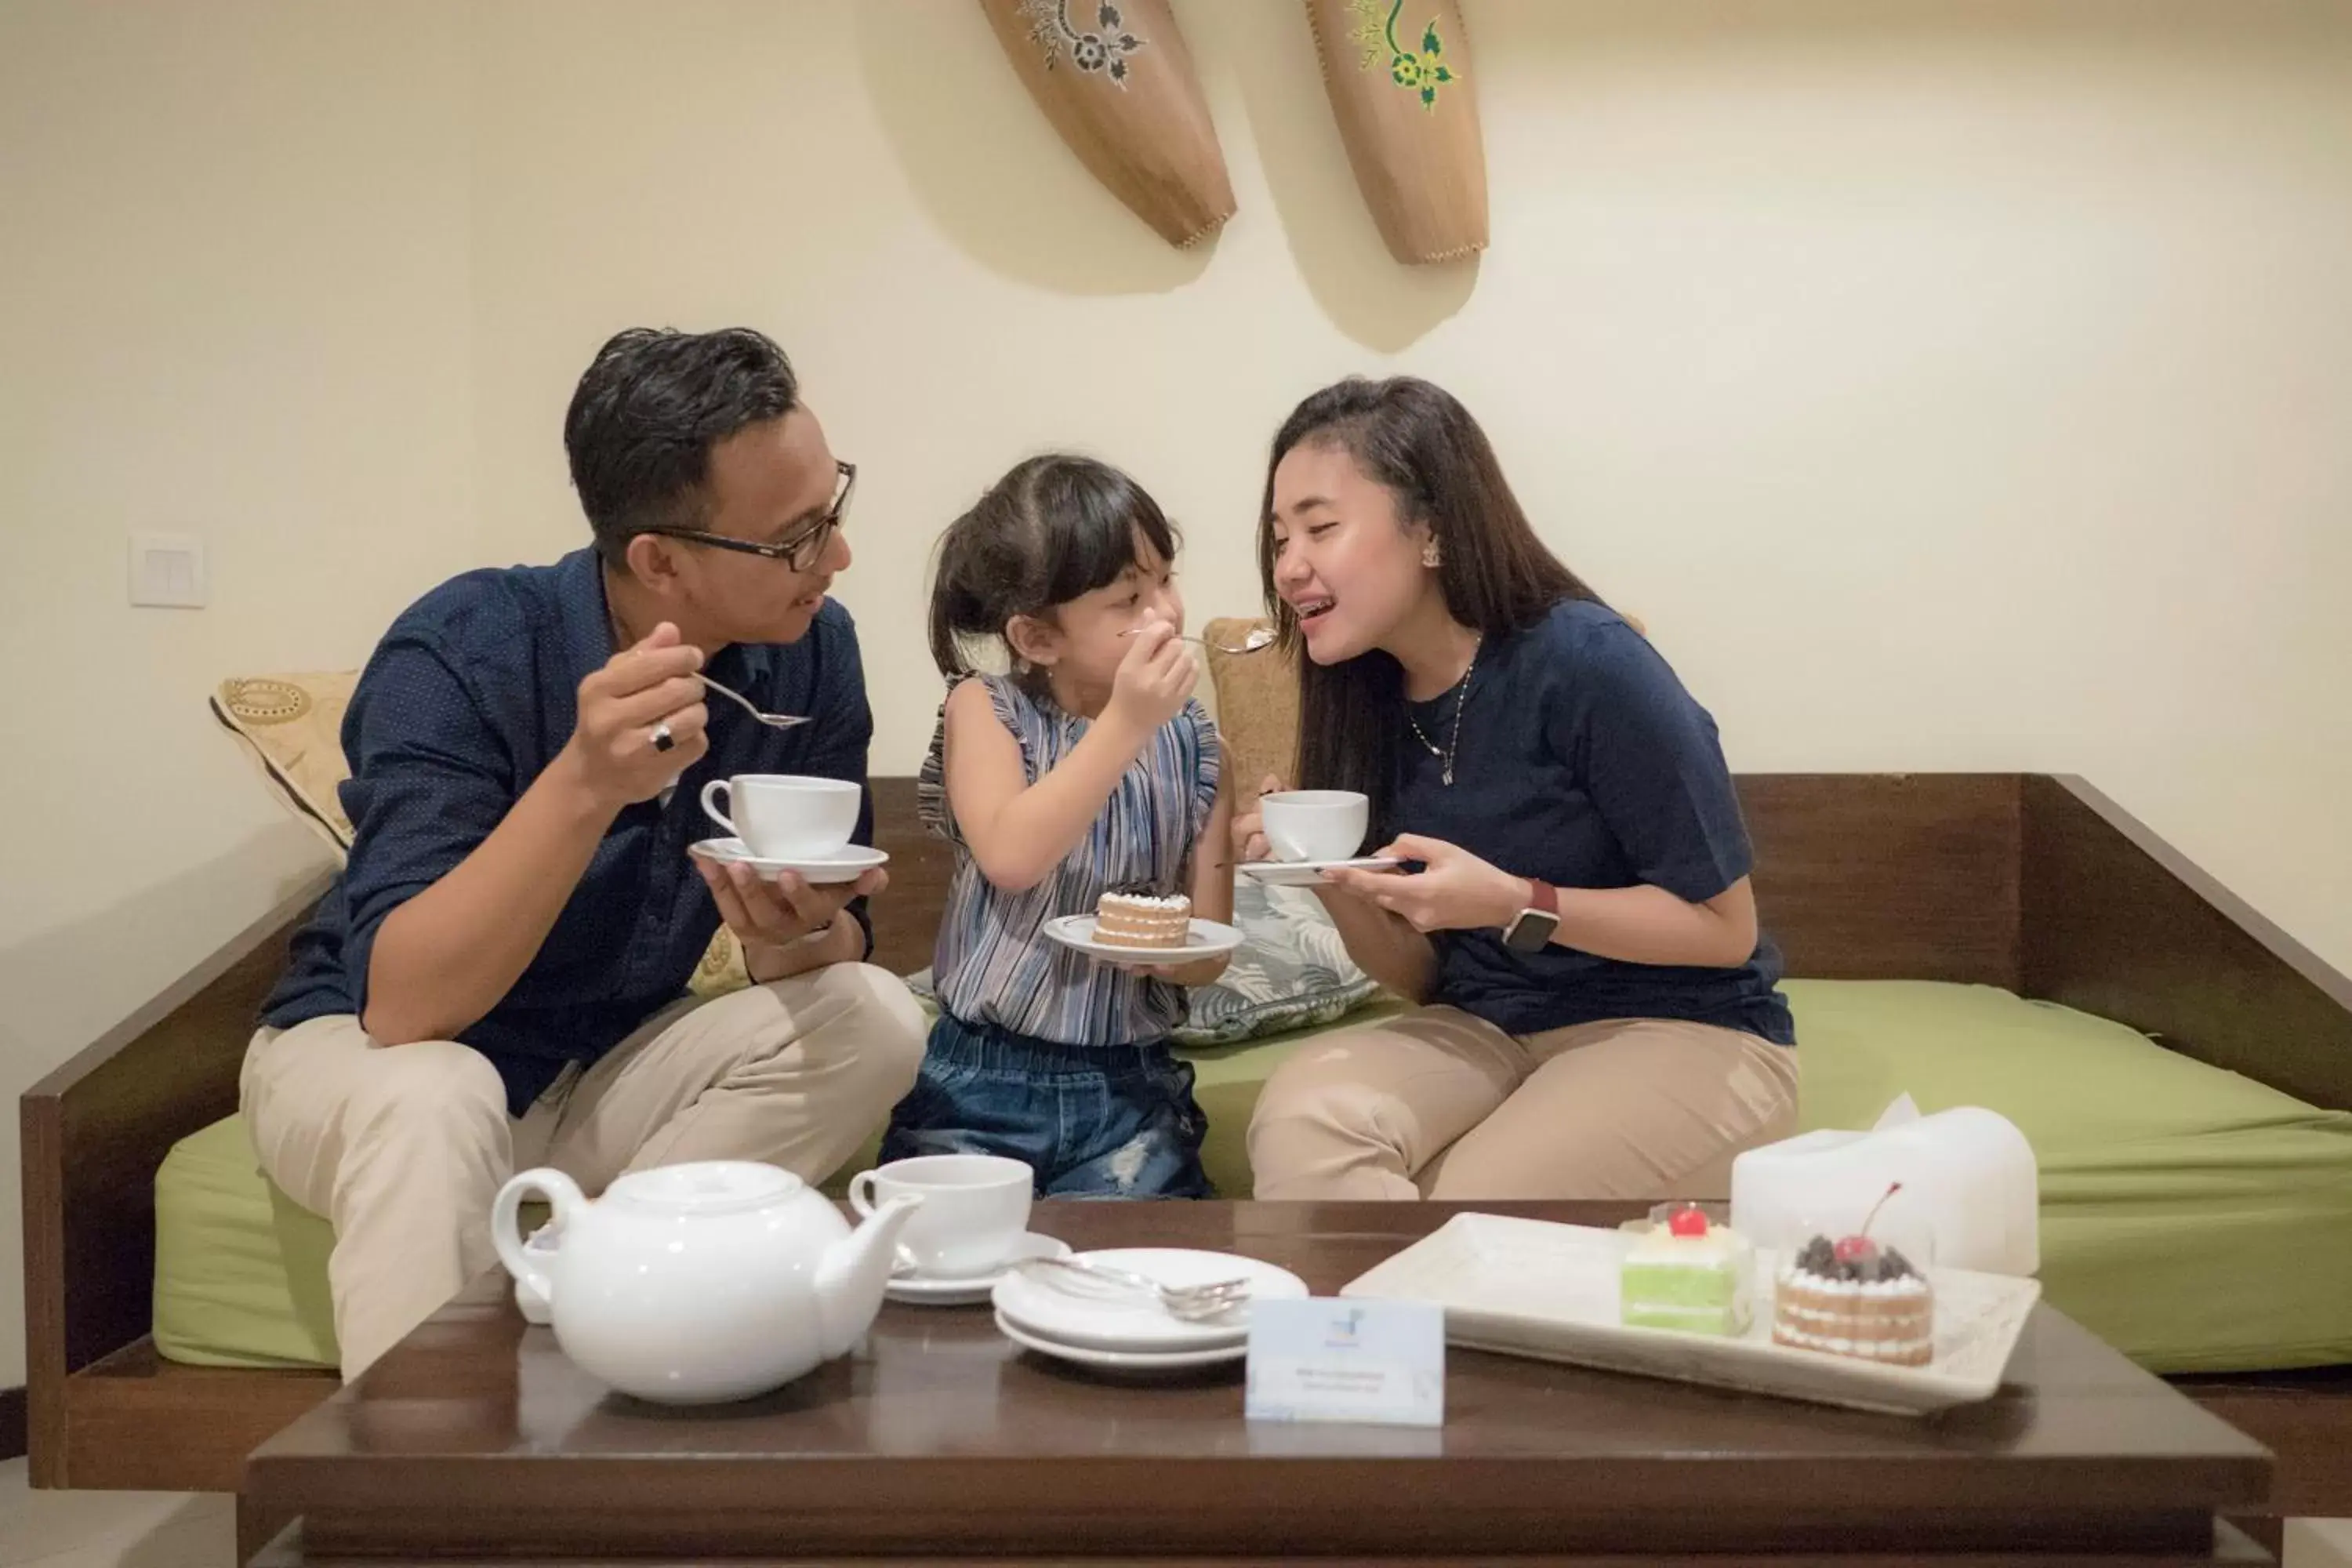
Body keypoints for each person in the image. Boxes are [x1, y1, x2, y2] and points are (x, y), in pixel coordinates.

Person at [245, 327, 925, 1377]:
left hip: (607, 1068)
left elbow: (828, 954)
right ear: (659, 559)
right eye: (796, 538)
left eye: (832, 510)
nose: (836, 559)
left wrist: (798, 933)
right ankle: (428, 1521)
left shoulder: (811, 652)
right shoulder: (464, 646)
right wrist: (583, 784)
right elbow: (404, 1008)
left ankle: (591, 1281)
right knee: (443, 1095)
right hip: (367, 1060)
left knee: (874, 1015)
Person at [1236, 376, 1798, 1201]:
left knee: (1467, 1204)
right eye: (1279, 538)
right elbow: (1424, 977)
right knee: (1302, 1122)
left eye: (1320, 527)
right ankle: (1377, 1325)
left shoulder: (1587, 662)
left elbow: (1723, 929)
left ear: (1430, 528)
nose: (1289, 567)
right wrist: (1327, 876)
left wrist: (1514, 901)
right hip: (1487, 1027)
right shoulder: (1363, 693)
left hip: (1685, 1025)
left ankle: (1402, 1319)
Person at [881, 455, 1234, 1199]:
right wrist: (1128, 724)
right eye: (1129, 599)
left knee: (1134, 1289)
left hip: (1132, 1089)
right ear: (1038, 638)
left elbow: (1209, 947)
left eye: (1165, 580)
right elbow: (1013, 855)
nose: (1166, 615)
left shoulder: (1199, 744)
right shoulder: (987, 710)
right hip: (980, 1078)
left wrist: (1170, 958)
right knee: (936, 1279)